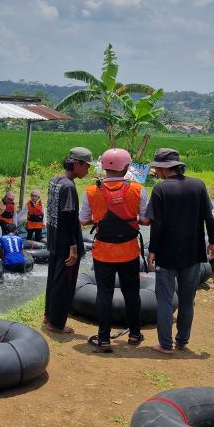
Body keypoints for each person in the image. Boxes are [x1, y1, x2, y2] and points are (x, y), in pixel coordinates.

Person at [144, 148, 214, 356]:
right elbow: (208, 217)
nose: (156, 172)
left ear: (162, 168)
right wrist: (212, 242)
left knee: (165, 300)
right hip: (193, 252)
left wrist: (152, 250)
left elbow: (157, 224)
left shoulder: (160, 189)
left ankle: (165, 344)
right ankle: (182, 341)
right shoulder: (198, 185)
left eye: (156, 168)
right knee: (187, 300)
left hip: (167, 253)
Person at [79, 148, 149, 353]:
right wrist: (129, 218)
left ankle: (103, 339)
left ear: (104, 167)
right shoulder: (138, 189)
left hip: (103, 252)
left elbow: (83, 219)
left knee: (104, 294)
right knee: (132, 292)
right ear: (126, 168)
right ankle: (134, 334)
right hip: (129, 251)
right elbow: (146, 220)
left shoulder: (91, 191)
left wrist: (100, 219)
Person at [44, 147, 92, 334]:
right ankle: (56, 324)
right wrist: (73, 246)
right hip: (66, 242)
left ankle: (49, 315)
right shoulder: (69, 187)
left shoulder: (55, 180)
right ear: (77, 164)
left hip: (54, 239)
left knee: (53, 279)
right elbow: (67, 217)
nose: (87, 170)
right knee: (64, 283)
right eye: (86, 166)